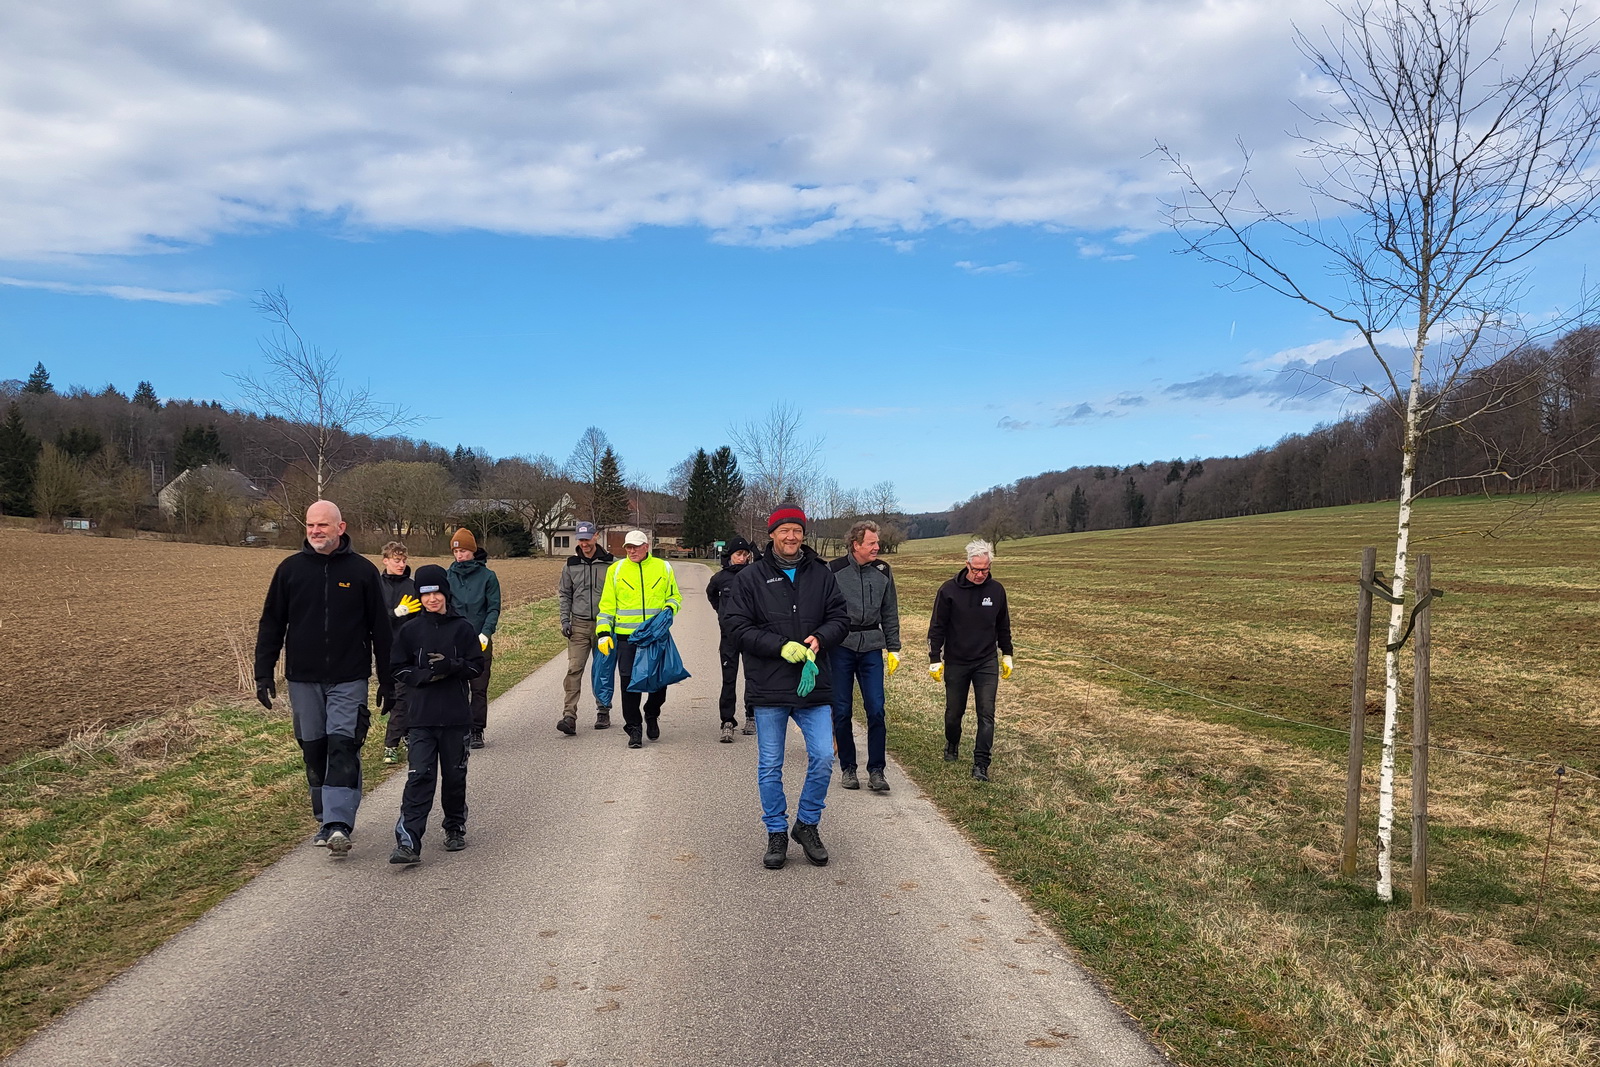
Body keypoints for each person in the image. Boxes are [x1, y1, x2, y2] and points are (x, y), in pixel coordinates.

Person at [254, 499, 392, 857]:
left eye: (323, 525)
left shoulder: (362, 572)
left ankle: (337, 824)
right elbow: (271, 624)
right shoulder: (290, 570)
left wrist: (389, 680)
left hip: (349, 677)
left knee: (343, 745)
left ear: (340, 528)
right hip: (303, 678)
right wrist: (263, 671)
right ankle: (325, 816)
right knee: (313, 748)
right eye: (311, 525)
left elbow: (382, 630)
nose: (316, 531)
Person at [722, 505, 849, 870]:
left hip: (814, 685)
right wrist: (779, 646)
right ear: (772, 534)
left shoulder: (822, 575)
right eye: (784, 531)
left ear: (803, 535)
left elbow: (840, 618)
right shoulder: (750, 578)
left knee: (824, 756)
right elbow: (736, 626)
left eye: (797, 530)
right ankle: (776, 831)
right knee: (770, 765)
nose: (791, 537)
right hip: (769, 685)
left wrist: (820, 638)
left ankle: (807, 825)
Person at [387, 564, 485, 864]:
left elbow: (476, 666)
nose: (432, 600)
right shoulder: (410, 631)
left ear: (446, 593)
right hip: (421, 719)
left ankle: (454, 827)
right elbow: (396, 668)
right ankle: (408, 842)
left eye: (437, 593)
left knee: (454, 778)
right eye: (426, 594)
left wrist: (452, 666)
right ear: (420, 597)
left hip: (456, 718)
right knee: (419, 778)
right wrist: (424, 675)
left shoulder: (463, 628)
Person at [928, 538, 1014, 782]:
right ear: (967, 565)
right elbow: (937, 627)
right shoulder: (948, 591)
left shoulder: (997, 591)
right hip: (957, 661)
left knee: (986, 713)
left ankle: (981, 763)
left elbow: (1003, 626)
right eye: (975, 569)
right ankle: (952, 743)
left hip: (986, 661)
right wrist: (935, 657)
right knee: (954, 713)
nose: (979, 574)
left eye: (984, 569)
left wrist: (1007, 654)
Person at [828, 520, 902, 791]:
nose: (877, 547)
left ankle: (877, 771)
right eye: (871, 543)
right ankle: (848, 768)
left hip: (872, 645)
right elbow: (823, 610)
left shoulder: (883, 571)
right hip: (841, 647)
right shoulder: (834, 570)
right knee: (842, 710)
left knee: (876, 709)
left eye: (877, 542)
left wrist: (894, 648)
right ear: (856, 544)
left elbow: (890, 611)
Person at [594, 529, 682, 749]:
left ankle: (651, 714)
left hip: (655, 636)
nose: (631, 551)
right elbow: (606, 606)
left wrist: (670, 608)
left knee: (659, 683)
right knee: (628, 685)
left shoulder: (663, 567)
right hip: (626, 638)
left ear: (646, 546)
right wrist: (604, 632)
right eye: (628, 547)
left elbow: (674, 596)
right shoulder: (616, 570)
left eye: (635, 547)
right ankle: (633, 728)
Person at [557, 520, 616, 733]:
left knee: (603, 670)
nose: (584, 543)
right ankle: (569, 716)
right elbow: (565, 594)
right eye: (581, 539)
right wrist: (565, 620)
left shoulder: (612, 563)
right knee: (574, 669)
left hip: (605, 625)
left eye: (587, 538)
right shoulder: (570, 565)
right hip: (579, 625)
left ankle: (603, 710)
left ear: (596, 536)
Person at [446, 527, 501, 749]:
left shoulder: (488, 577)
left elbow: (493, 607)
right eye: (456, 552)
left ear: (472, 550)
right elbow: (444, 606)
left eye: (464, 551)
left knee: (478, 687)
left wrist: (486, 632)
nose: (459, 555)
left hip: (480, 640)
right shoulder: (447, 576)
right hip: (455, 640)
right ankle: (459, 728)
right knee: (456, 687)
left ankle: (477, 730)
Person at [705, 535, 758, 742]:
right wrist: (721, 613)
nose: (742, 558)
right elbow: (711, 594)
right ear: (730, 555)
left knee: (752, 677)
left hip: (751, 635)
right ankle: (727, 721)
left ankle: (751, 716)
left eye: (745, 554)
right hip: (729, 637)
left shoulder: (754, 575)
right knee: (729, 679)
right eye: (738, 554)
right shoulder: (720, 578)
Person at [378, 540, 422, 765]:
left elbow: (420, 619)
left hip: (407, 652)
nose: (401, 564)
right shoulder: (376, 585)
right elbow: (369, 616)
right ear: (386, 560)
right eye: (397, 560)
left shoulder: (412, 586)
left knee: (404, 697)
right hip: (383, 651)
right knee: (392, 697)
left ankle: (392, 744)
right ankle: (404, 734)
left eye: (404, 560)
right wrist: (393, 613)